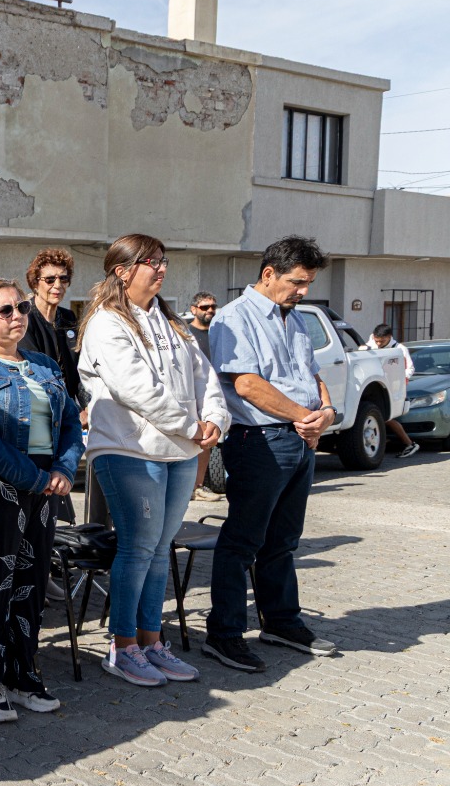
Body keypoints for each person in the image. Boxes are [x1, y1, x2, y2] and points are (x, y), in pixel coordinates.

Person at [78, 236, 229, 687]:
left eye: (163, 262)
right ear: (122, 271)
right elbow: (135, 387)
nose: (160, 269)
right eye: (150, 262)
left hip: (179, 451)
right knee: (139, 546)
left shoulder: (172, 321)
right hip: (129, 449)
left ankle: (151, 640)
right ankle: (122, 646)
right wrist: (191, 425)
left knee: (161, 549)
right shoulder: (106, 322)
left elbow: (206, 377)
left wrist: (214, 418)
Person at [0, 280, 85, 722]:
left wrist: (63, 470)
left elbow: (68, 424)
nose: (17, 315)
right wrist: (35, 477)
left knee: (30, 583)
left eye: (21, 307)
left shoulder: (43, 365)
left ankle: (22, 675)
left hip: (43, 488)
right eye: (5, 310)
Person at [204, 235, 340, 671]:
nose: (304, 291)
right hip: (259, 442)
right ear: (268, 274)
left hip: (299, 440)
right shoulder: (233, 318)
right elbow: (246, 384)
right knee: (242, 541)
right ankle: (224, 634)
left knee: (283, 541)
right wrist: (305, 416)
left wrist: (327, 412)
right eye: (298, 282)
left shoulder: (293, 318)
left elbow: (312, 374)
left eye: (308, 283)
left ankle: (281, 622)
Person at [19, 248, 84, 409]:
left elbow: (79, 369)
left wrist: (86, 406)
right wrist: (73, 411)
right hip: (41, 408)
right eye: (49, 280)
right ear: (35, 283)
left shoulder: (68, 317)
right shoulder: (24, 318)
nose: (58, 285)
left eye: (63, 279)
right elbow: (36, 372)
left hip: (69, 411)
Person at [187, 292, 223, 501]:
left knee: (208, 443)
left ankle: (198, 486)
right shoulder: (186, 334)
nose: (210, 310)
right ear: (193, 309)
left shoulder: (218, 333)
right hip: (193, 396)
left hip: (215, 398)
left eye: (213, 307)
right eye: (204, 307)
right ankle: (189, 487)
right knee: (196, 441)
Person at [367, 324, 420, 458]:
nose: (378, 344)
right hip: (376, 386)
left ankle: (409, 444)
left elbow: (410, 369)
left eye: (382, 341)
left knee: (385, 416)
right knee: (380, 415)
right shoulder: (371, 345)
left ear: (389, 337)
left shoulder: (400, 349)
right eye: (377, 340)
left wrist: (400, 380)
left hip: (393, 387)